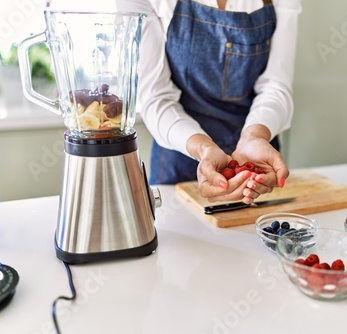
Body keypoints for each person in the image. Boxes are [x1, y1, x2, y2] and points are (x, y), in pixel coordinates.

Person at [116, 0, 302, 204]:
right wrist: (204, 148)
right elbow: (156, 97)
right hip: (181, 152)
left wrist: (254, 136)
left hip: (257, 158)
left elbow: (275, 86)